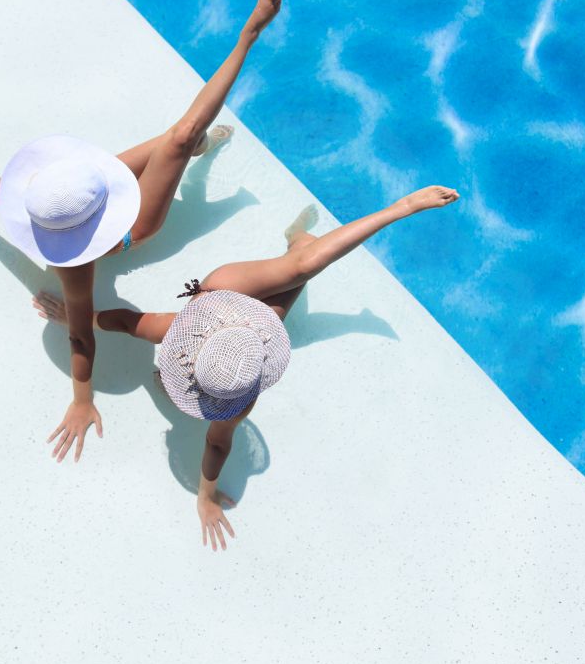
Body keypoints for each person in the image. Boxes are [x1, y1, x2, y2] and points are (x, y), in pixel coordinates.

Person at [0, 0, 286, 466]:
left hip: (93, 191)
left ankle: (224, 87)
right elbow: (80, 336)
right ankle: (220, 94)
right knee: (175, 140)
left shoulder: (32, 193)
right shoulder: (76, 260)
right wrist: (81, 399)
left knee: (177, 139)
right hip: (136, 222)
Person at [32, 183, 458, 548]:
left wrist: (405, 207)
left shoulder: (183, 333)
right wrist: (206, 496)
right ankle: (298, 239)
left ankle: (297, 238)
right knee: (302, 266)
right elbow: (216, 442)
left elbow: (126, 323)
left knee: (303, 264)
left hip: (231, 296)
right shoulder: (195, 341)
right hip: (228, 290)